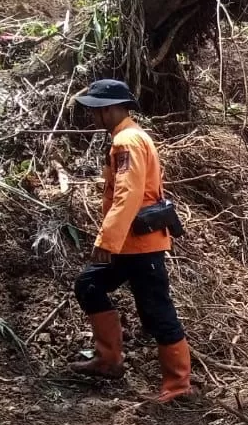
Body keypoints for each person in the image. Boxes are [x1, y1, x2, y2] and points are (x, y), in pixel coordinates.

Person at [68, 79, 193, 405]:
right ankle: (109, 361)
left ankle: (178, 386)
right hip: (128, 243)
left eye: (96, 111)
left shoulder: (127, 142)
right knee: (89, 285)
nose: (93, 118)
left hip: (141, 244)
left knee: (156, 311)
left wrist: (105, 240)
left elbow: (127, 196)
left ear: (108, 110)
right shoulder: (126, 139)